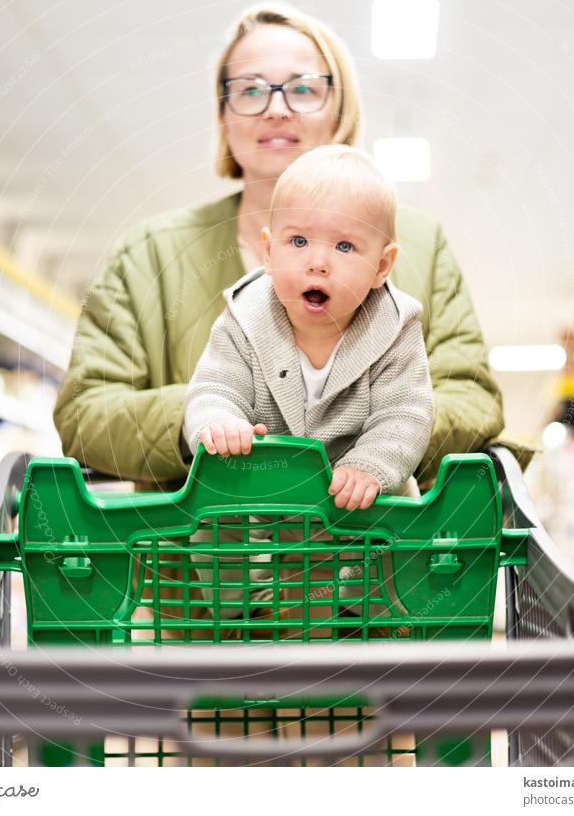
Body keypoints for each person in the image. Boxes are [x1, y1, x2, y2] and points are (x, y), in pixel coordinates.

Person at [53, 0, 522, 493]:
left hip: (373, 558)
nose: (276, 107)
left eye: (302, 88)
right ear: (223, 114)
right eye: (250, 89)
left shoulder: (421, 246)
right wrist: (210, 414)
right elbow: (84, 414)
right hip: (193, 566)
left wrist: (375, 443)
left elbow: (472, 400)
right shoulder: (147, 256)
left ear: (339, 110)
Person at [183, 144, 433, 618]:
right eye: (298, 242)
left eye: (344, 246)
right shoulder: (244, 318)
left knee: (400, 515)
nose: (318, 262)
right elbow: (214, 387)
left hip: (357, 503)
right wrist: (217, 423)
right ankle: (242, 618)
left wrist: (372, 467)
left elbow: (407, 413)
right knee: (214, 507)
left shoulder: (395, 327)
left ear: (382, 265)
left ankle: (372, 617)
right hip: (268, 505)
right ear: (268, 248)